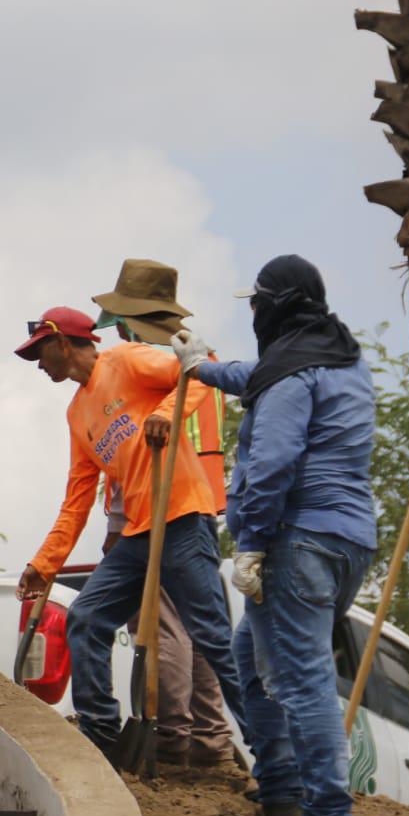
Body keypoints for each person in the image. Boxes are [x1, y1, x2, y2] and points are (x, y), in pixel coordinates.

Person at [174, 255, 376, 816]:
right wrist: (205, 367)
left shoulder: (291, 373)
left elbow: (272, 463)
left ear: (277, 304)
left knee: (303, 680)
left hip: (295, 539)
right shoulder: (341, 357)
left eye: (257, 303)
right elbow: (258, 378)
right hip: (348, 541)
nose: (255, 313)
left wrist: (254, 543)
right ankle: (282, 791)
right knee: (248, 660)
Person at [14, 305, 243, 760]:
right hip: (138, 533)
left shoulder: (126, 360)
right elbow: (77, 500)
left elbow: (201, 369)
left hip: (182, 515)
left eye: (41, 353)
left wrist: (166, 411)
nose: (38, 365)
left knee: (212, 636)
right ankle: (100, 733)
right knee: (86, 619)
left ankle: (273, 755)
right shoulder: (77, 413)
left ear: (63, 342)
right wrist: (44, 564)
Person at [92, 259, 236, 768]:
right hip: (204, 507)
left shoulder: (150, 360)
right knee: (200, 628)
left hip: (158, 510)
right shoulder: (201, 357)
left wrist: (116, 524)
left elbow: (133, 452)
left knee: (164, 625)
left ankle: (174, 737)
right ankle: (210, 739)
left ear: (131, 318)